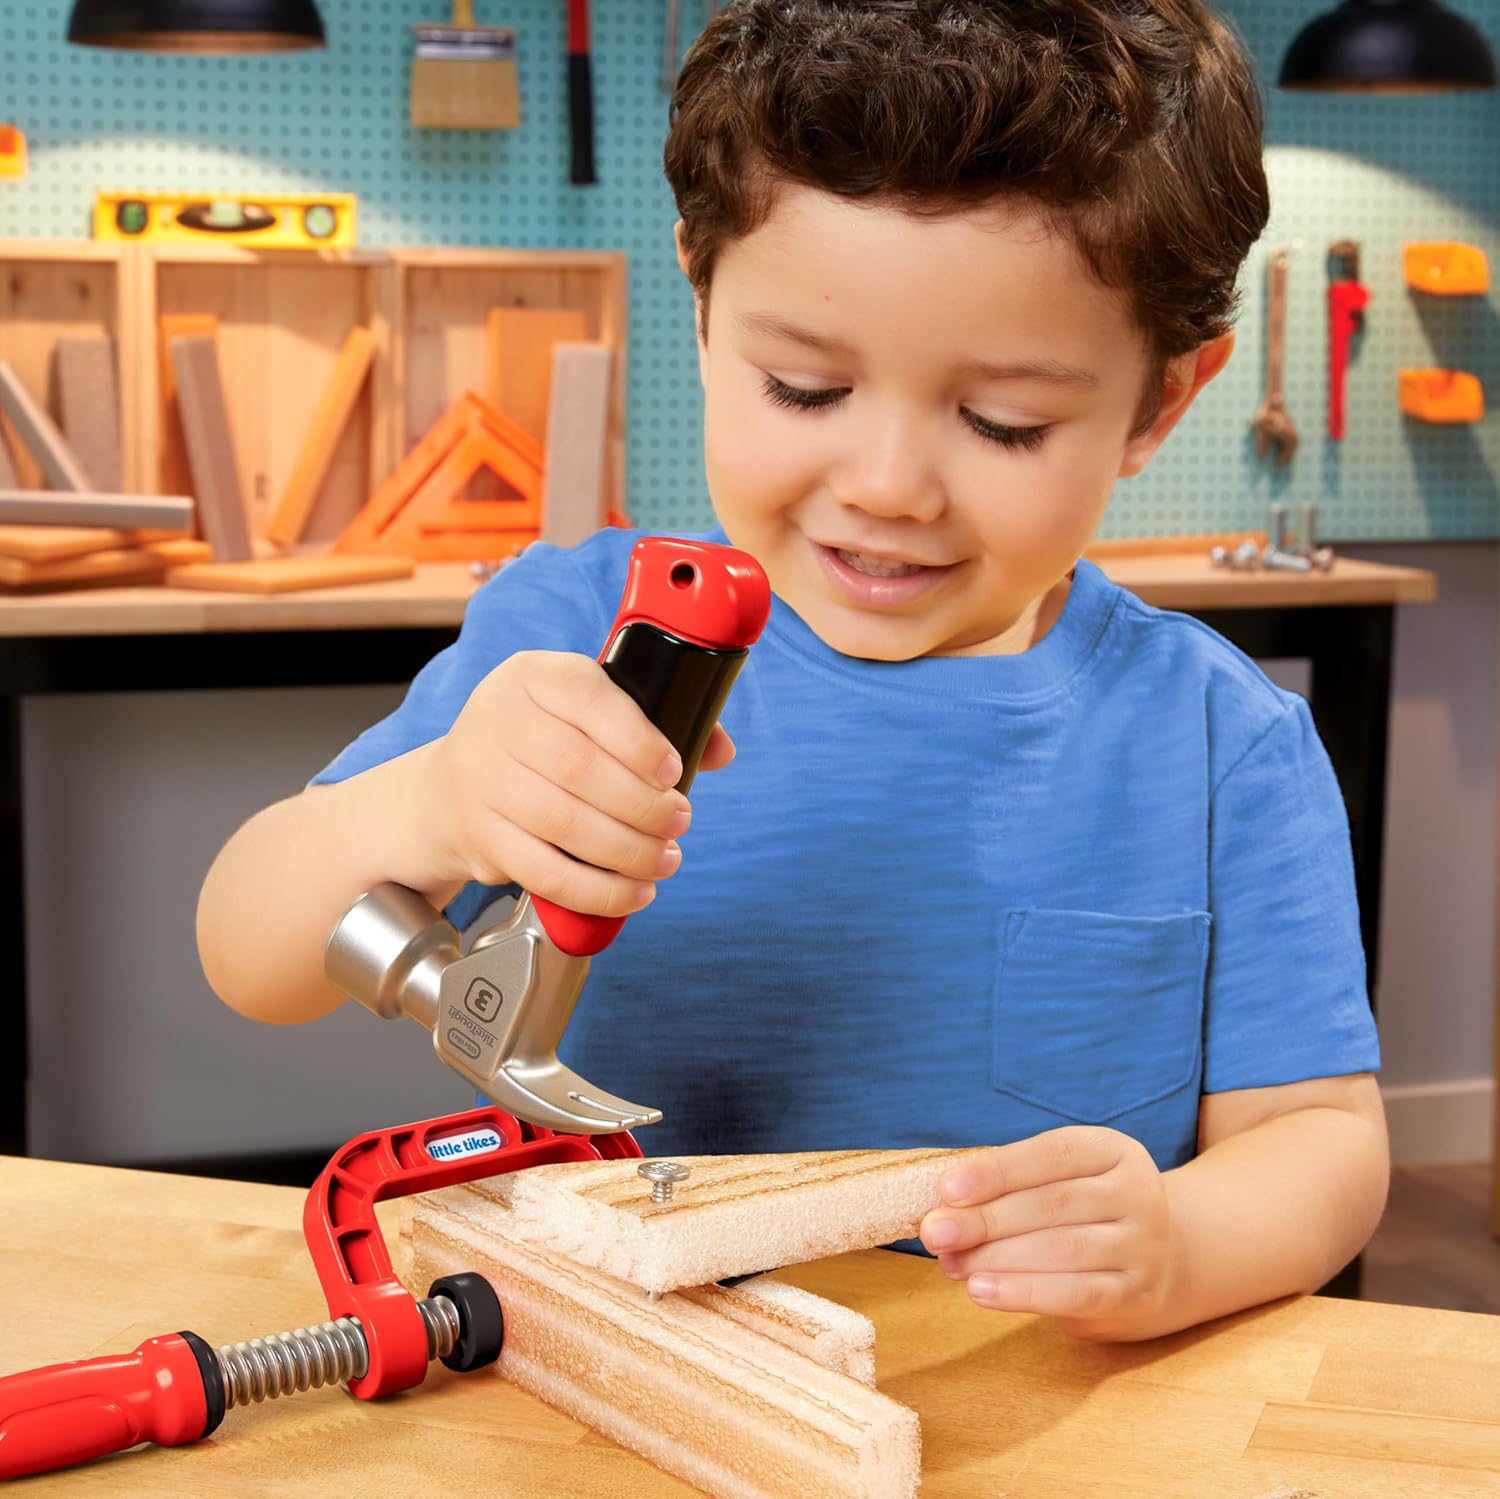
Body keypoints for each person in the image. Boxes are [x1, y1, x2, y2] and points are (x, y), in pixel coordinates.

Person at [198, 0, 1388, 1343]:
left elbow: (1323, 1146)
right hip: (625, 1379)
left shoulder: (1223, 743)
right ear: (702, 309)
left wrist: (1181, 1243)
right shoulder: (584, 634)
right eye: (806, 391)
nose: (885, 488)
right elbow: (251, 951)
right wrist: (427, 804)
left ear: (1159, 404)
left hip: (1038, 1417)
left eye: (1003, 423)